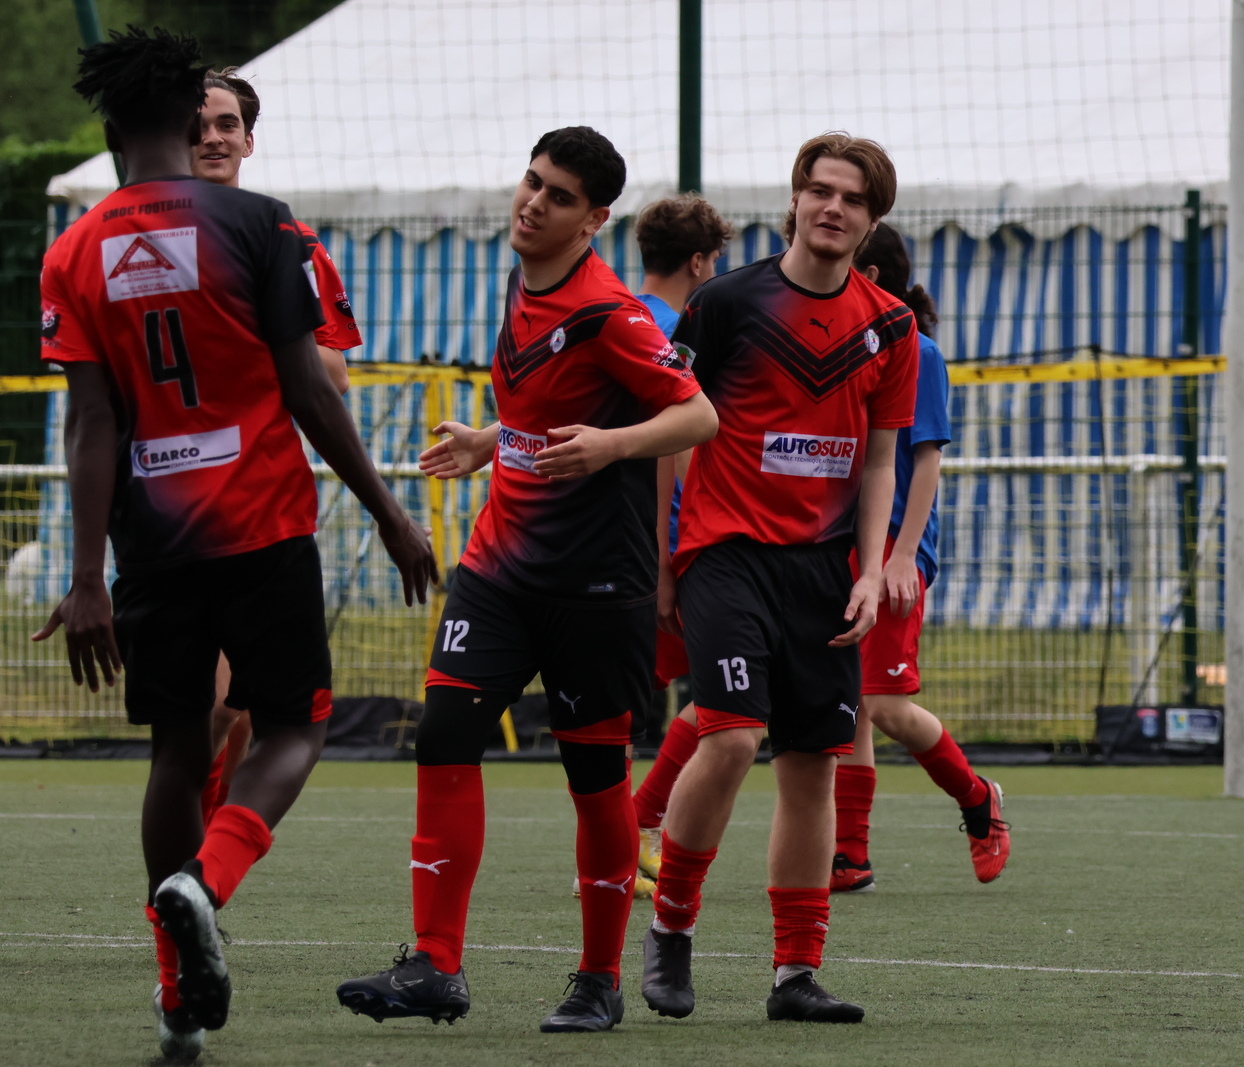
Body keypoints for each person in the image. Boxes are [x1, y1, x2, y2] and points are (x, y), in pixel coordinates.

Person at [32, 28, 436, 1062]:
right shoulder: (262, 224)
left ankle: (178, 996)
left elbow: (91, 424)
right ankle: (204, 882)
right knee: (295, 726)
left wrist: (86, 577)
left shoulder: (74, 250)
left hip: (151, 545)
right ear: (188, 120)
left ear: (112, 128)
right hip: (262, 525)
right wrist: (390, 512)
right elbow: (310, 388)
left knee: (176, 748)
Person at [335, 127, 718, 1034]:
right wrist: (490, 439)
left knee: (595, 780)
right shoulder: (522, 279)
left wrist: (613, 446)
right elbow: (545, 406)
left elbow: (698, 415)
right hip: (497, 570)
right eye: (532, 182)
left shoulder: (611, 312)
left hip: (596, 589)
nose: (533, 202)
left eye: (558, 196)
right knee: (443, 738)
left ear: (594, 219)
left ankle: (599, 979)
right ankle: (436, 963)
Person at [641, 133, 918, 1025]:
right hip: (725, 552)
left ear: (872, 219)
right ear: (795, 199)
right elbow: (672, 427)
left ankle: (796, 973)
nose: (833, 207)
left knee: (810, 766)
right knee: (729, 738)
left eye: (853, 198)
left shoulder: (892, 327)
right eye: (820, 190)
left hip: (825, 570)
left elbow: (882, 461)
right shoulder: (725, 302)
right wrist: (664, 559)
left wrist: (871, 569)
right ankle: (671, 927)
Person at [189, 66, 365, 827]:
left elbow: (334, 372)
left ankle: (202, 863)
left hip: (260, 504)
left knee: (239, 708)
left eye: (227, 124)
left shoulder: (290, 243)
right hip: (170, 504)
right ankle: (191, 862)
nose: (212, 137)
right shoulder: (142, 241)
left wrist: (244, 341)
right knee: (210, 707)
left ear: (249, 141)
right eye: (198, 125)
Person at [832, 223, 1009, 893]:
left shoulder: (920, 351)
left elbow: (926, 458)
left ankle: (977, 798)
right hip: (836, 544)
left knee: (885, 704)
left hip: (891, 549)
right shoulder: (840, 346)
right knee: (846, 701)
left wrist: (903, 554)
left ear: (871, 276)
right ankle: (849, 856)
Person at [624, 194, 733, 882]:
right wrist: (672, 557)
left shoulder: (615, 314)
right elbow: (682, 444)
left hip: (616, 536)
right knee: (735, 695)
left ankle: (622, 838)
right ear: (697, 262)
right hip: (673, 543)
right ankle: (634, 827)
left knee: (620, 705)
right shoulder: (680, 330)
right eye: (714, 260)